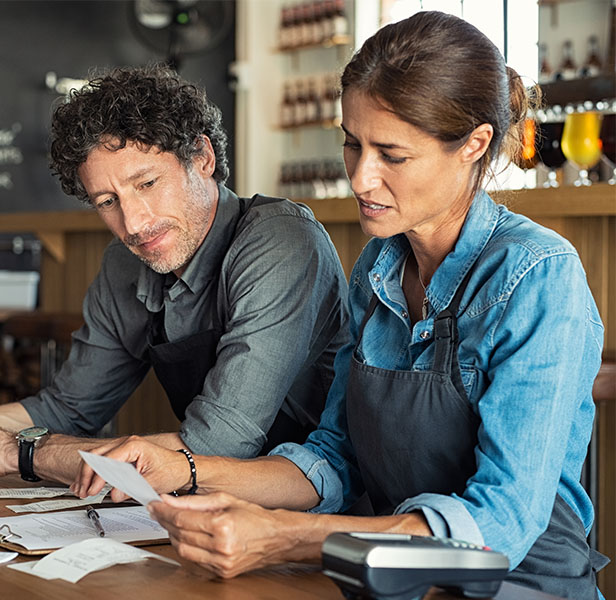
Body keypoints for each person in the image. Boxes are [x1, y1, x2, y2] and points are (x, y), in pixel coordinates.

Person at [73, 12, 608, 597]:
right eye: (353, 145)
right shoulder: (376, 273)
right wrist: (186, 471)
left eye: (392, 155)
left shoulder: (537, 276)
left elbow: (499, 529)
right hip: (386, 579)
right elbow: (334, 458)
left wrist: (285, 537)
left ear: (474, 145)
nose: (360, 177)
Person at [0, 64, 350, 485]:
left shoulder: (280, 242)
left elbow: (216, 445)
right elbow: (68, 407)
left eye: (147, 183)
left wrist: (18, 453)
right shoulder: (125, 263)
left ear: (202, 158)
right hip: (211, 509)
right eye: (107, 202)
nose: (133, 223)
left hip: (320, 504)